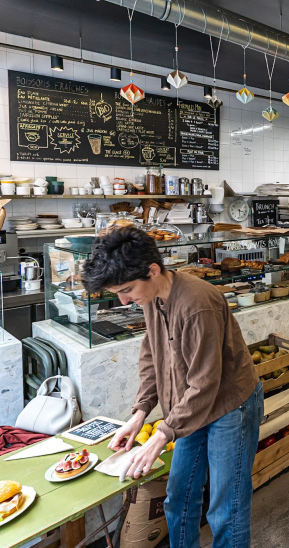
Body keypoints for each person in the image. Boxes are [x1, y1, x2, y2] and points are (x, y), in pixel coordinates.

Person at [81, 227, 263, 548]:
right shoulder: (151, 297)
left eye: (126, 290)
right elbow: (152, 354)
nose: (123, 300)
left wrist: (162, 434)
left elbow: (205, 383)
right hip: (189, 407)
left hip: (230, 407)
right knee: (178, 498)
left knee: (226, 510)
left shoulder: (197, 304)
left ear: (153, 270)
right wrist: (140, 412)